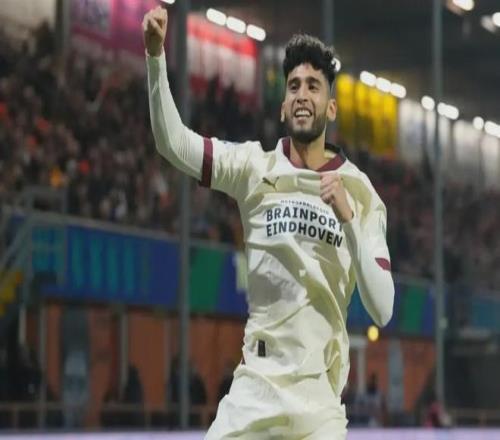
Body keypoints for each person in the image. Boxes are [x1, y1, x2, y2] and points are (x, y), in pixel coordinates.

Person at [143, 6, 395, 439]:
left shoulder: (359, 192)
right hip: (255, 392)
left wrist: (350, 221)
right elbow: (173, 143)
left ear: (331, 107)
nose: (302, 94)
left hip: (318, 401)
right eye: (294, 86)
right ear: (282, 107)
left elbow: (383, 309)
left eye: (313, 86)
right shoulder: (253, 167)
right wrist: (154, 57)